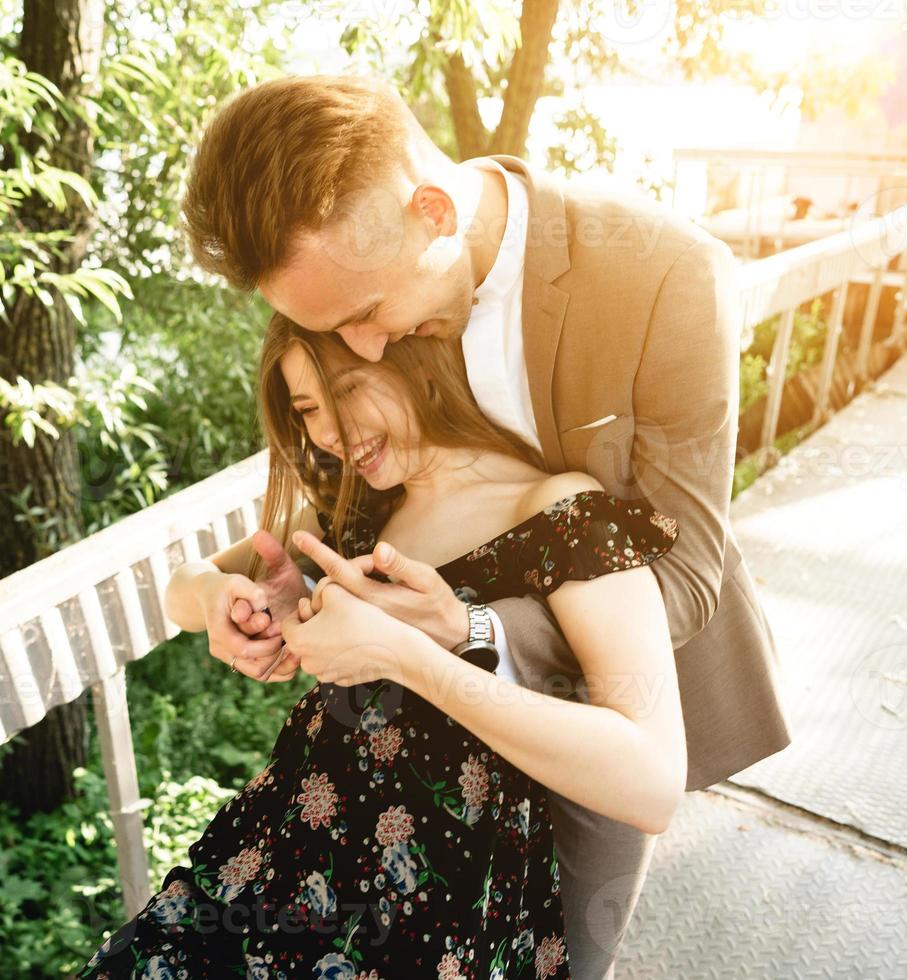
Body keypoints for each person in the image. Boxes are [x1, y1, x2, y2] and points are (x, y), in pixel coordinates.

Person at [181, 74, 792, 978]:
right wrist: (218, 598)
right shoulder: (380, 306)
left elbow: (689, 570)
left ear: (432, 210)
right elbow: (306, 528)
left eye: (360, 317)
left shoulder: (667, 275)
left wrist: (464, 630)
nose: (363, 351)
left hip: (599, 713)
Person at [76, 314, 685, 979]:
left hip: (437, 914)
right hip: (282, 859)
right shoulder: (353, 510)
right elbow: (184, 585)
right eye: (308, 409)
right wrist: (222, 602)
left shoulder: (561, 514)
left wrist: (403, 655)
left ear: (415, 359)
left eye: (348, 389)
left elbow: (651, 784)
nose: (330, 431)